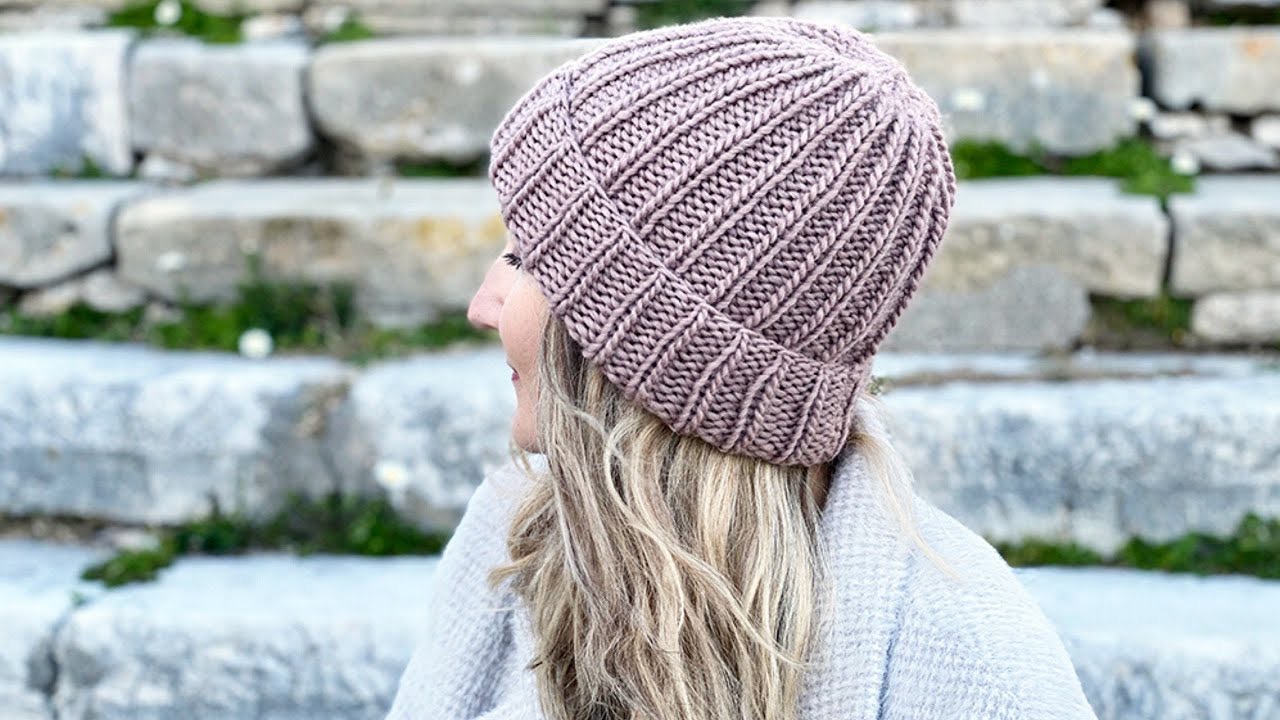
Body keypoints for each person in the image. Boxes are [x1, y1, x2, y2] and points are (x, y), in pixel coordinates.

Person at [386, 15, 1098, 720]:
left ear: (661, 344)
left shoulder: (976, 666)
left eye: (526, 260)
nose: (482, 304)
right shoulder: (516, 544)